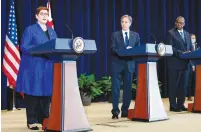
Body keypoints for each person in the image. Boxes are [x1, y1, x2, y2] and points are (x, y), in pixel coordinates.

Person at [16, 6, 57, 130]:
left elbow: (56, 46)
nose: (45, 16)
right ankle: (31, 121)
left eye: (46, 13)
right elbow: (23, 47)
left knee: (46, 95)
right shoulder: (30, 30)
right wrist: (39, 50)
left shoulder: (52, 31)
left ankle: (44, 120)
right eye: (42, 14)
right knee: (32, 95)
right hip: (33, 67)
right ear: (36, 16)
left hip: (48, 67)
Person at [111, 15, 140, 119]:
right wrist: (123, 52)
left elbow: (138, 50)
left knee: (128, 89)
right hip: (117, 64)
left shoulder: (135, 35)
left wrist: (131, 51)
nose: (124, 24)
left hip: (129, 64)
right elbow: (113, 49)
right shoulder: (115, 35)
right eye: (122, 22)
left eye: (126, 22)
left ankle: (125, 111)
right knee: (115, 89)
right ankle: (115, 112)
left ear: (130, 23)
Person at [166, 16, 193, 112]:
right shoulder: (171, 33)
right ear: (175, 23)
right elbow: (170, 48)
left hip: (186, 64)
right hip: (174, 63)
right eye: (178, 22)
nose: (180, 24)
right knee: (173, 85)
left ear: (184, 24)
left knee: (183, 86)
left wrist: (192, 58)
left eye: (182, 23)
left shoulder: (187, 34)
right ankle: (173, 106)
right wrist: (181, 53)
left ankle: (180, 104)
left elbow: (190, 48)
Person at [186, 34, 197, 101]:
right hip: (190, 66)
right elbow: (189, 57)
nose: (193, 39)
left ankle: (196, 95)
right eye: (192, 38)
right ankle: (189, 96)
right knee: (189, 81)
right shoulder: (188, 47)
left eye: (194, 38)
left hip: (197, 66)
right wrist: (192, 65)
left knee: (196, 81)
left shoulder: (197, 46)